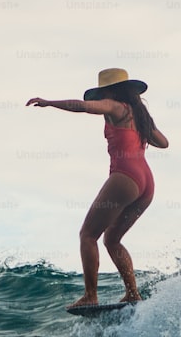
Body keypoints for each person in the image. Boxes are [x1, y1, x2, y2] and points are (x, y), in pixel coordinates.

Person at [27, 68, 169, 309]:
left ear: (110, 91)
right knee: (112, 239)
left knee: (88, 235)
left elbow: (83, 106)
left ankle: (90, 295)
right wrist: (143, 129)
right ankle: (133, 294)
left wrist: (50, 103)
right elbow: (163, 143)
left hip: (126, 176)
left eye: (103, 92)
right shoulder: (138, 115)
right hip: (146, 182)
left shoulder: (116, 107)